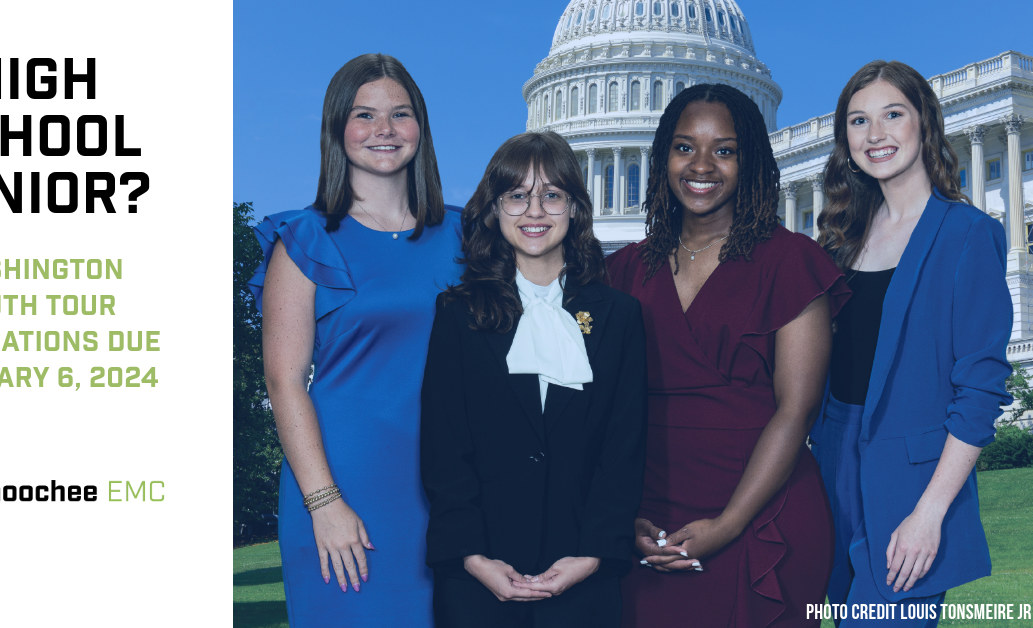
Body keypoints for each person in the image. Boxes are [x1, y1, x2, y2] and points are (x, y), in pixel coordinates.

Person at [606, 83, 850, 627]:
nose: (702, 165)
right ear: (662, 156)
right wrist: (622, 514)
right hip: (645, 517)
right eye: (684, 146)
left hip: (763, 513)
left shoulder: (791, 261)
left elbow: (797, 408)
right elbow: (601, 410)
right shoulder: (622, 271)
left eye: (725, 150)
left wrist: (730, 522)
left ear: (751, 161)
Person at [249, 53, 463, 627]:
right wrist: (325, 503)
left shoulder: (469, 234)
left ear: (422, 126)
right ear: (337, 129)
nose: (385, 130)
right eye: (365, 115)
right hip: (345, 484)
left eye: (401, 114)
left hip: (450, 489)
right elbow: (284, 380)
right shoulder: (306, 238)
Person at [811, 60, 1012, 627]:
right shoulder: (837, 241)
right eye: (858, 121)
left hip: (910, 484)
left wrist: (930, 512)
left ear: (924, 122)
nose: (875, 135)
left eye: (892, 115)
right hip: (830, 471)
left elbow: (979, 391)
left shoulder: (968, 233)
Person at [420, 131, 647, 628]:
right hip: (478, 573)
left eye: (552, 195)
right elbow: (444, 448)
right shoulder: (458, 312)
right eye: (517, 196)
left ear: (574, 207)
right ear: (495, 209)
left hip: (583, 572)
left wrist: (594, 554)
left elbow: (623, 449)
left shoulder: (621, 315)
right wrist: (471, 555)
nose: (534, 211)